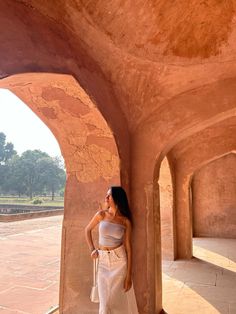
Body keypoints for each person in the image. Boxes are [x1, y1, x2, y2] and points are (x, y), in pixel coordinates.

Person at [85, 186, 139, 314]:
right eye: (106, 195)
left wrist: (128, 276)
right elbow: (87, 230)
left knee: (117, 302)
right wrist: (92, 249)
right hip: (102, 260)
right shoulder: (101, 215)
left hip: (119, 261)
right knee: (105, 304)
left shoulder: (125, 221)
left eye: (109, 195)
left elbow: (129, 249)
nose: (106, 198)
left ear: (117, 199)